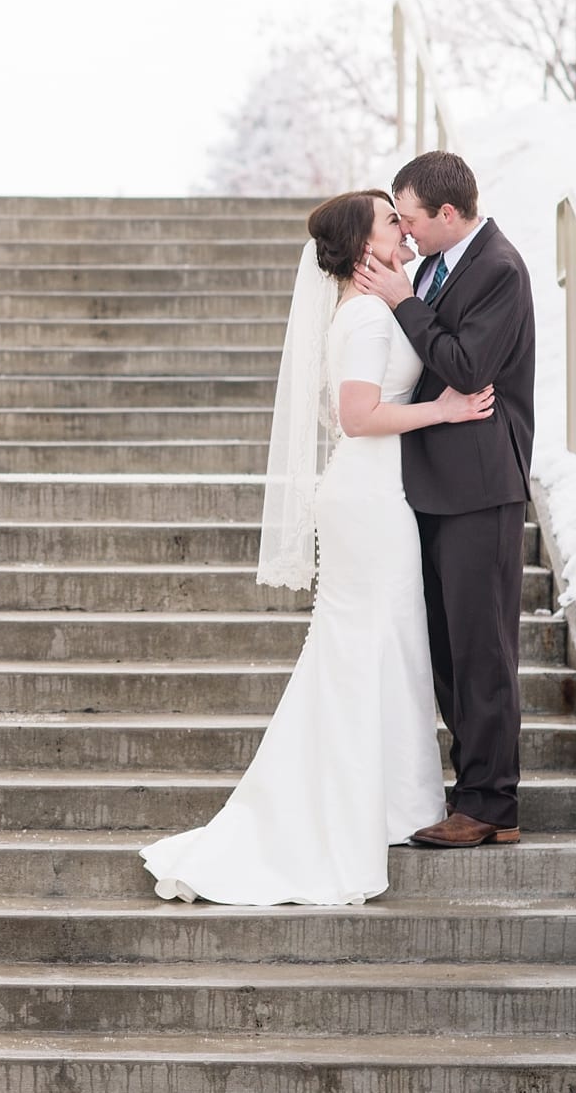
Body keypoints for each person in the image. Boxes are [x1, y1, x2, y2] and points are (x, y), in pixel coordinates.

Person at [139, 187, 495, 905]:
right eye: (390, 219)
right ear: (364, 245)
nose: (403, 223)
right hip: (369, 498)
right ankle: (350, 809)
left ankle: (391, 800)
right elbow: (357, 416)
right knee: (367, 645)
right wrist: (446, 408)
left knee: (379, 643)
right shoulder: (365, 316)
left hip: (372, 494)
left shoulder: (370, 306)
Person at [353, 151, 537, 849]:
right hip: (431, 483)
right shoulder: (432, 265)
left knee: (482, 649)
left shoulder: (499, 268)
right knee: (450, 651)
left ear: (449, 215)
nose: (404, 230)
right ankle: (474, 793)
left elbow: (466, 367)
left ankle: (491, 803)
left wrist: (403, 302)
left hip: (481, 486)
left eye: (411, 218)